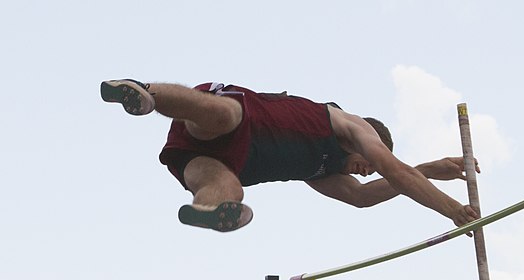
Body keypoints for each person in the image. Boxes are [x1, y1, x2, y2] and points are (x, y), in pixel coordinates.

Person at [100, 79, 480, 232]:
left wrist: (427, 170)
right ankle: (146, 92)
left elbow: (362, 199)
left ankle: (205, 211)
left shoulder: (322, 172)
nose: (367, 172)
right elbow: (395, 172)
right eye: (369, 163)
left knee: (226, 189)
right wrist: (454, 211)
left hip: (221, 162)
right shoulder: (351, 125)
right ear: (370, 139)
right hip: (239, 118)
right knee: (218, 116)